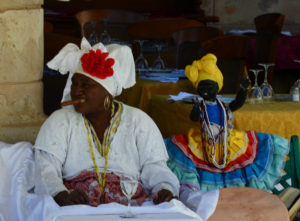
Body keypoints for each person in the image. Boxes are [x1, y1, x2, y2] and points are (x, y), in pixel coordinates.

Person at [34, 38, 179, 206]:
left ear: (107, 94)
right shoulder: (59, 121)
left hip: (131, 205)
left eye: (86, 85)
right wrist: (61, 195)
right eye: (75, 83)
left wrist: (163, 189)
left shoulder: (139, 121)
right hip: (77, 205)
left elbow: (155, 167)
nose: (76, 91)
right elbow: (45, 170)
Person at [165, 53, 290, 192]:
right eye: (202, 87)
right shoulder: (201, 105)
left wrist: (243, 91)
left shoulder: (222, 105)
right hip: (205, 143)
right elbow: (194, 118)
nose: (205, 91)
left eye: (209, 87)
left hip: (226, 141)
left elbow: (236, 104)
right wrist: (195, 108)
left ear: (217, 87)